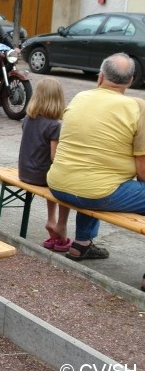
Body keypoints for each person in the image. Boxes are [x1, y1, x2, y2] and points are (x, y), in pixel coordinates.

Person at [47, 53, 145, 261]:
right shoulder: (137, 107)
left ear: (100, 77)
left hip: (59, 185)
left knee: (98, 177)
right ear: (130, 81)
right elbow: (142, 167)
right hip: (95, 192)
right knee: (101, 184)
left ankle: (81, 244)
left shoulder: (80, 97)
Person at [18, 78, 71, 252]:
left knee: (52, 178)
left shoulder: (28, 119)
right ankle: (58, 224)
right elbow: (54, 157)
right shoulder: (54, 126)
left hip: (24, 172)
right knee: (66, 184)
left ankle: (51, 219)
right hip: (41, 176)